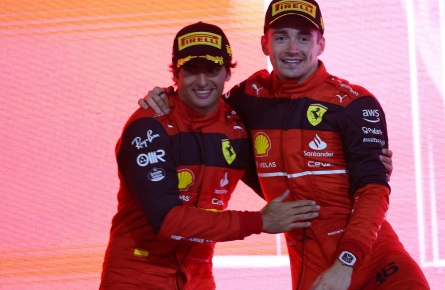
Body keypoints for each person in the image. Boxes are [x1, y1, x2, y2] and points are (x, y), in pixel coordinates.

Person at [140, 0, 428, 289]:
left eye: (304, 38)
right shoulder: (248, 98)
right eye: (281, 38)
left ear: (321, 44)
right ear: (265, 44)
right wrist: (166, 96)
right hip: (309, 268)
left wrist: (346, 263)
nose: (293, 49)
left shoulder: (355, 103)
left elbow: (373, 190)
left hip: (373, 258)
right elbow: (202, 100)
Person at [100, 21, 323, 290]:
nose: (203, 82)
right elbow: (167, 221)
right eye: (191, 71)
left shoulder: (237, 130)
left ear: (228, 73)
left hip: (198, 274)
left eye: (213, 70)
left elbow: (279, 180)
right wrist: (259, 222)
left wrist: (368, 166)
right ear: (175, 74)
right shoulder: (149, 126)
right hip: (137, 273)